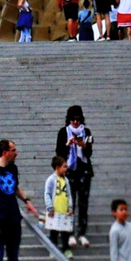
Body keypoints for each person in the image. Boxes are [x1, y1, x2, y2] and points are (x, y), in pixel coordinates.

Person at [55, 105, 93, 248]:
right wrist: (67, 144)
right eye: (72, 119)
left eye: (78, 119)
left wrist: (84, 146)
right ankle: (69, 233)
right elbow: (58, 152)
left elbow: (89, 154)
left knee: (83, 204)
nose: (75, 122)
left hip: (84, 172)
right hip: (69, 172)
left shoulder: (87, 132)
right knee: (69, 204)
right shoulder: (63, 132)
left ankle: (81, 233)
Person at [43, 156, 74, 258]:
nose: (66, 169)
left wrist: (70, 207)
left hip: (64, 210)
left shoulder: (66, 180)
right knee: (54, 232)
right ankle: (53, 250)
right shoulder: (51, 180)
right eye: (64, 166)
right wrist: (49, 207)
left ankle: (66, 249)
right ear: (57, 167)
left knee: (65, 232)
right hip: (55, 210)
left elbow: (69, 194)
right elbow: (47, 193)